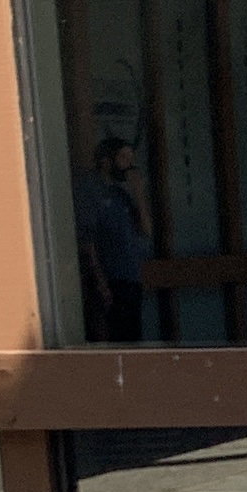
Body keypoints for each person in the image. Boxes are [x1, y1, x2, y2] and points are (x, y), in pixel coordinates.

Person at [77, 137, 151, 343]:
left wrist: (139, 195)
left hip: (130, 276)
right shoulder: (90, 189)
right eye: (123, 157)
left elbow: (145, 230)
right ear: (106, 160)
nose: (128, 164)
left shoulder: (121, 194)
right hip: (108, 278)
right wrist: (100, 280)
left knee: (132, 336)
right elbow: (87, 239)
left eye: (130, 158)